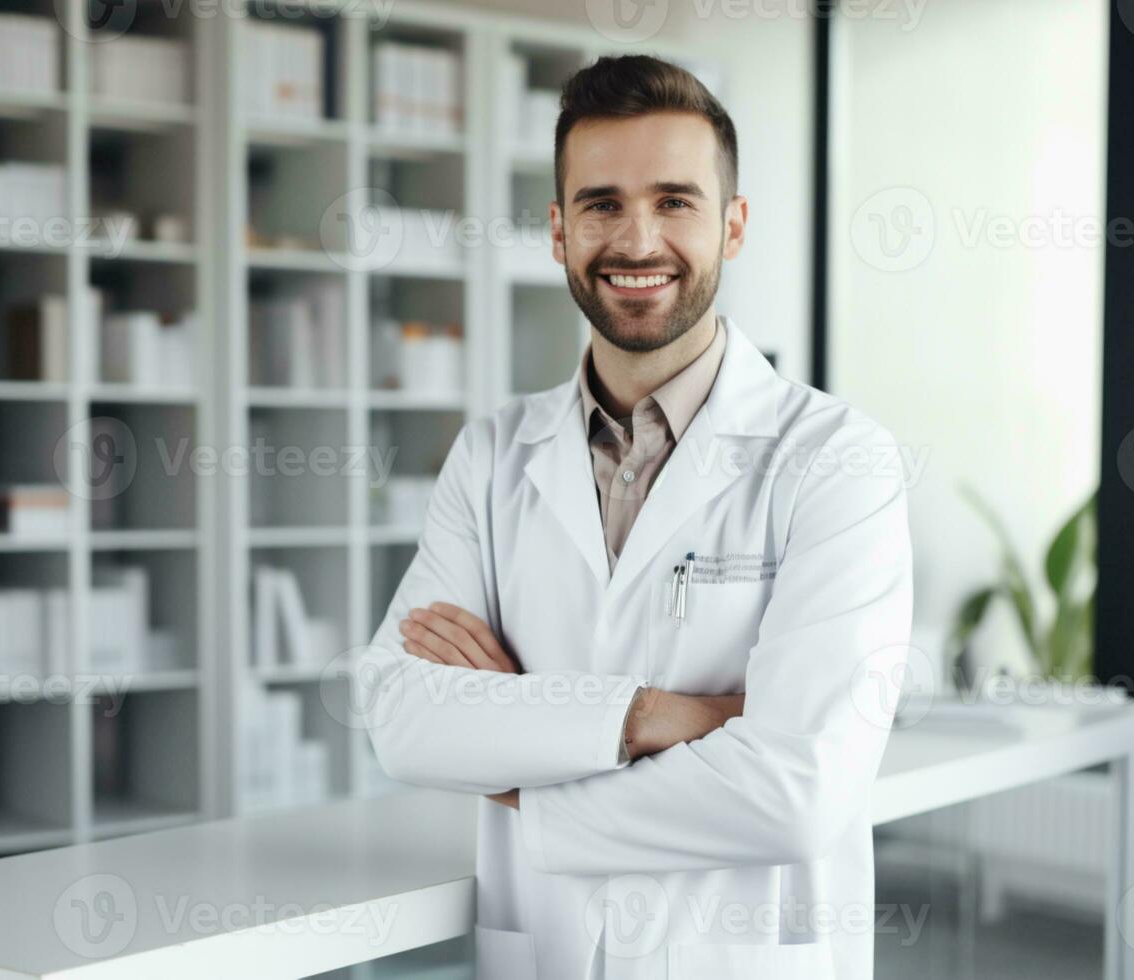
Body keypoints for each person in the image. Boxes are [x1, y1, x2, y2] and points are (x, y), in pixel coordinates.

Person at [356, 54, 912, 980]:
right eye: (602, 203)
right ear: (558, 230)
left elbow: (798, 791)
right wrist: (656, 717)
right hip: (547, 953)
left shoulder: (836, 459)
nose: (637, 239)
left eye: (676, 201)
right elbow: (402, 717)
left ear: (734, 226)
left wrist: (526, 780)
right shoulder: (494, 456)